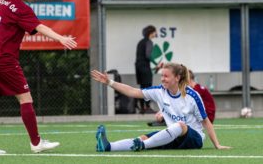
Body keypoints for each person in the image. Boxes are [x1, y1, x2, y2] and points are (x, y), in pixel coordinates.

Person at [0, 0, 77, 154]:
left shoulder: (0, 0)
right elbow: (39, 26)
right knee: (25, 98)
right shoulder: (20, 7)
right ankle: (36, 143)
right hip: (4, 60)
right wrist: (60, 38)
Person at [91, 63, 231, 152]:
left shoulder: (192, 96)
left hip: (194, 139)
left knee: (180, 125)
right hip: (173, 136)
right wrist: (109, 82)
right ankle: (108, 146)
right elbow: (133, 91)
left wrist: (217, 144)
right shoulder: (159, 91)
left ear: (177, 78)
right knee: (143, 137)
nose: (162, 79)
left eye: (166, 76)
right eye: (162, 76)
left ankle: (143, 146)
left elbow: (206, 121)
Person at [148, 69, 216, 126]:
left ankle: (168, 121)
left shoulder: (195, 91)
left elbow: (180, 105)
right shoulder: (195, 89)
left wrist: (163, 114)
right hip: (204, 117)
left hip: (206, 119)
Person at [135, 25, 157, 114]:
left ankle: (142, 108)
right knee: (148, 87)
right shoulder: (149, 42)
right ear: (151, 33)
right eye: (155, 32)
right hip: (145, 67)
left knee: (142, 87)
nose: (156, 34)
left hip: (138, 67)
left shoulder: (140, 42)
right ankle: (147, 107)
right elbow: (148, 55)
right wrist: (156, 64)